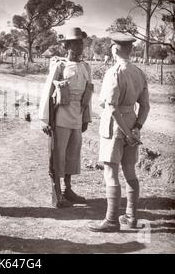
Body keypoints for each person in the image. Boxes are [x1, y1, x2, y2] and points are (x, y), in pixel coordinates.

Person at [88, 32, 150, 232]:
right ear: (131, 50)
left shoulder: (114, 72)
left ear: (114, 49)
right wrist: (136, 128)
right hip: (131, 123)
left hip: (115, 127)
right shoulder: (139, 72)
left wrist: (127, 132)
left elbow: (112, 107)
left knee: (111, 172)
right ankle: (131, 217)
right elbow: (146, 106)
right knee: (130, 171)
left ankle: (112, 220)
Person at [39, 27, 93, 208]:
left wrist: (85, 118)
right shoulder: (59, 66)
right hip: (61, 115)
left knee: (72, 154)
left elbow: (88, 94)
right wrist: (45, 120)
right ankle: (56, 194)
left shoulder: (86, 67)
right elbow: (48, 92)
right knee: (58, 154)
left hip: (77, 116)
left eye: (81, 43)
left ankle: (67, 189)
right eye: (75, 43)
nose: (79, 46)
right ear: (67, 46)